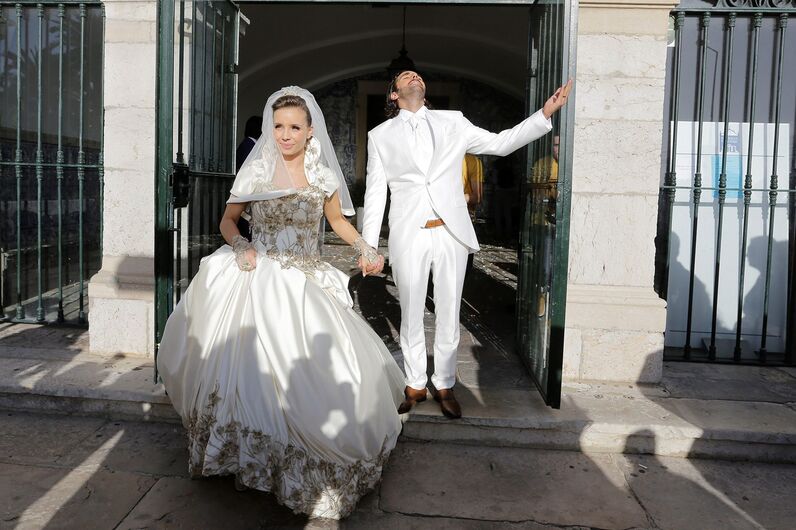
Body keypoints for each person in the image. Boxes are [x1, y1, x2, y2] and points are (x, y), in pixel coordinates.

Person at [157, 87, 405, 520]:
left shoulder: (324, 176)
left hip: (307, 280)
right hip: (257, 274)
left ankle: (313, 465)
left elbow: (336, 224)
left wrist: (366, 245)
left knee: (322, 373)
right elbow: (228, 221)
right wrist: (239, 246)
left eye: (294, 127)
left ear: (311, 132)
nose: (285, 135)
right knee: (245, 373)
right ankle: (240, 455)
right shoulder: (255, 174)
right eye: (278, 127)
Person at [360, 70, 571, 419]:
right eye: (405, 76)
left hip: (450, 232)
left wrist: (544, 115)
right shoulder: (379, 135)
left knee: (448, 311)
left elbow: (501, 143)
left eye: (418, 75)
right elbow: (375, 191)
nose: (414, 77)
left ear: (424, 91)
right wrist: (369, 247)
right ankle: (414, 383)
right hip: (407, 234)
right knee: (410, 311)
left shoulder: (453, 122)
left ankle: (444, 384)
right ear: (393, 95)